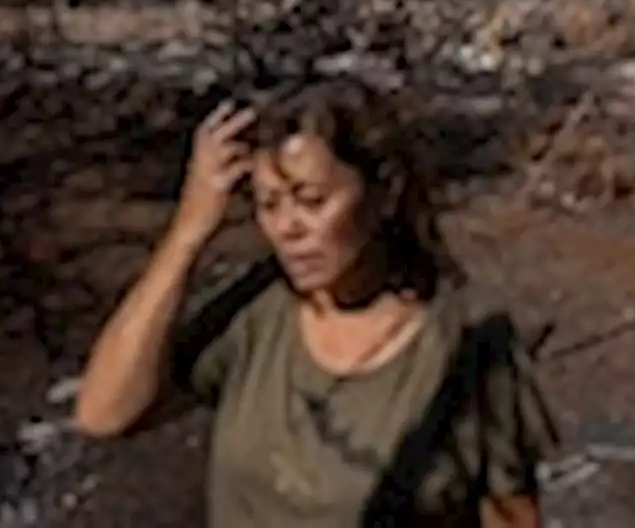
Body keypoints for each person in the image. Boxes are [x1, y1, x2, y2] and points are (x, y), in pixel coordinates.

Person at [72, 78, 556, 528]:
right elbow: (103, 413)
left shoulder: (465, 346)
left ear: (383, 193)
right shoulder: (259, 312)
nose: (288, 228)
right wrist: (189, 231)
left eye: (312, 200)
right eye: (269, 204)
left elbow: (511, 516)